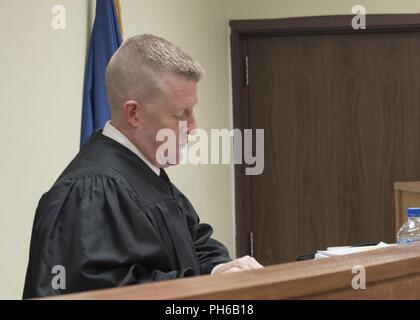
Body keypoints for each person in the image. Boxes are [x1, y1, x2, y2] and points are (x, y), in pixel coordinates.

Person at [23, 34, 263, 299]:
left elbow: (194, 244)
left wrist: (221, 270)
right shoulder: (90, 190)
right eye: (181, 114)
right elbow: (107, 292)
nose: (194, 127)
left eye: (192, 110)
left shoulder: (146, 172)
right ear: (133, 113)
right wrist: (204, 281)